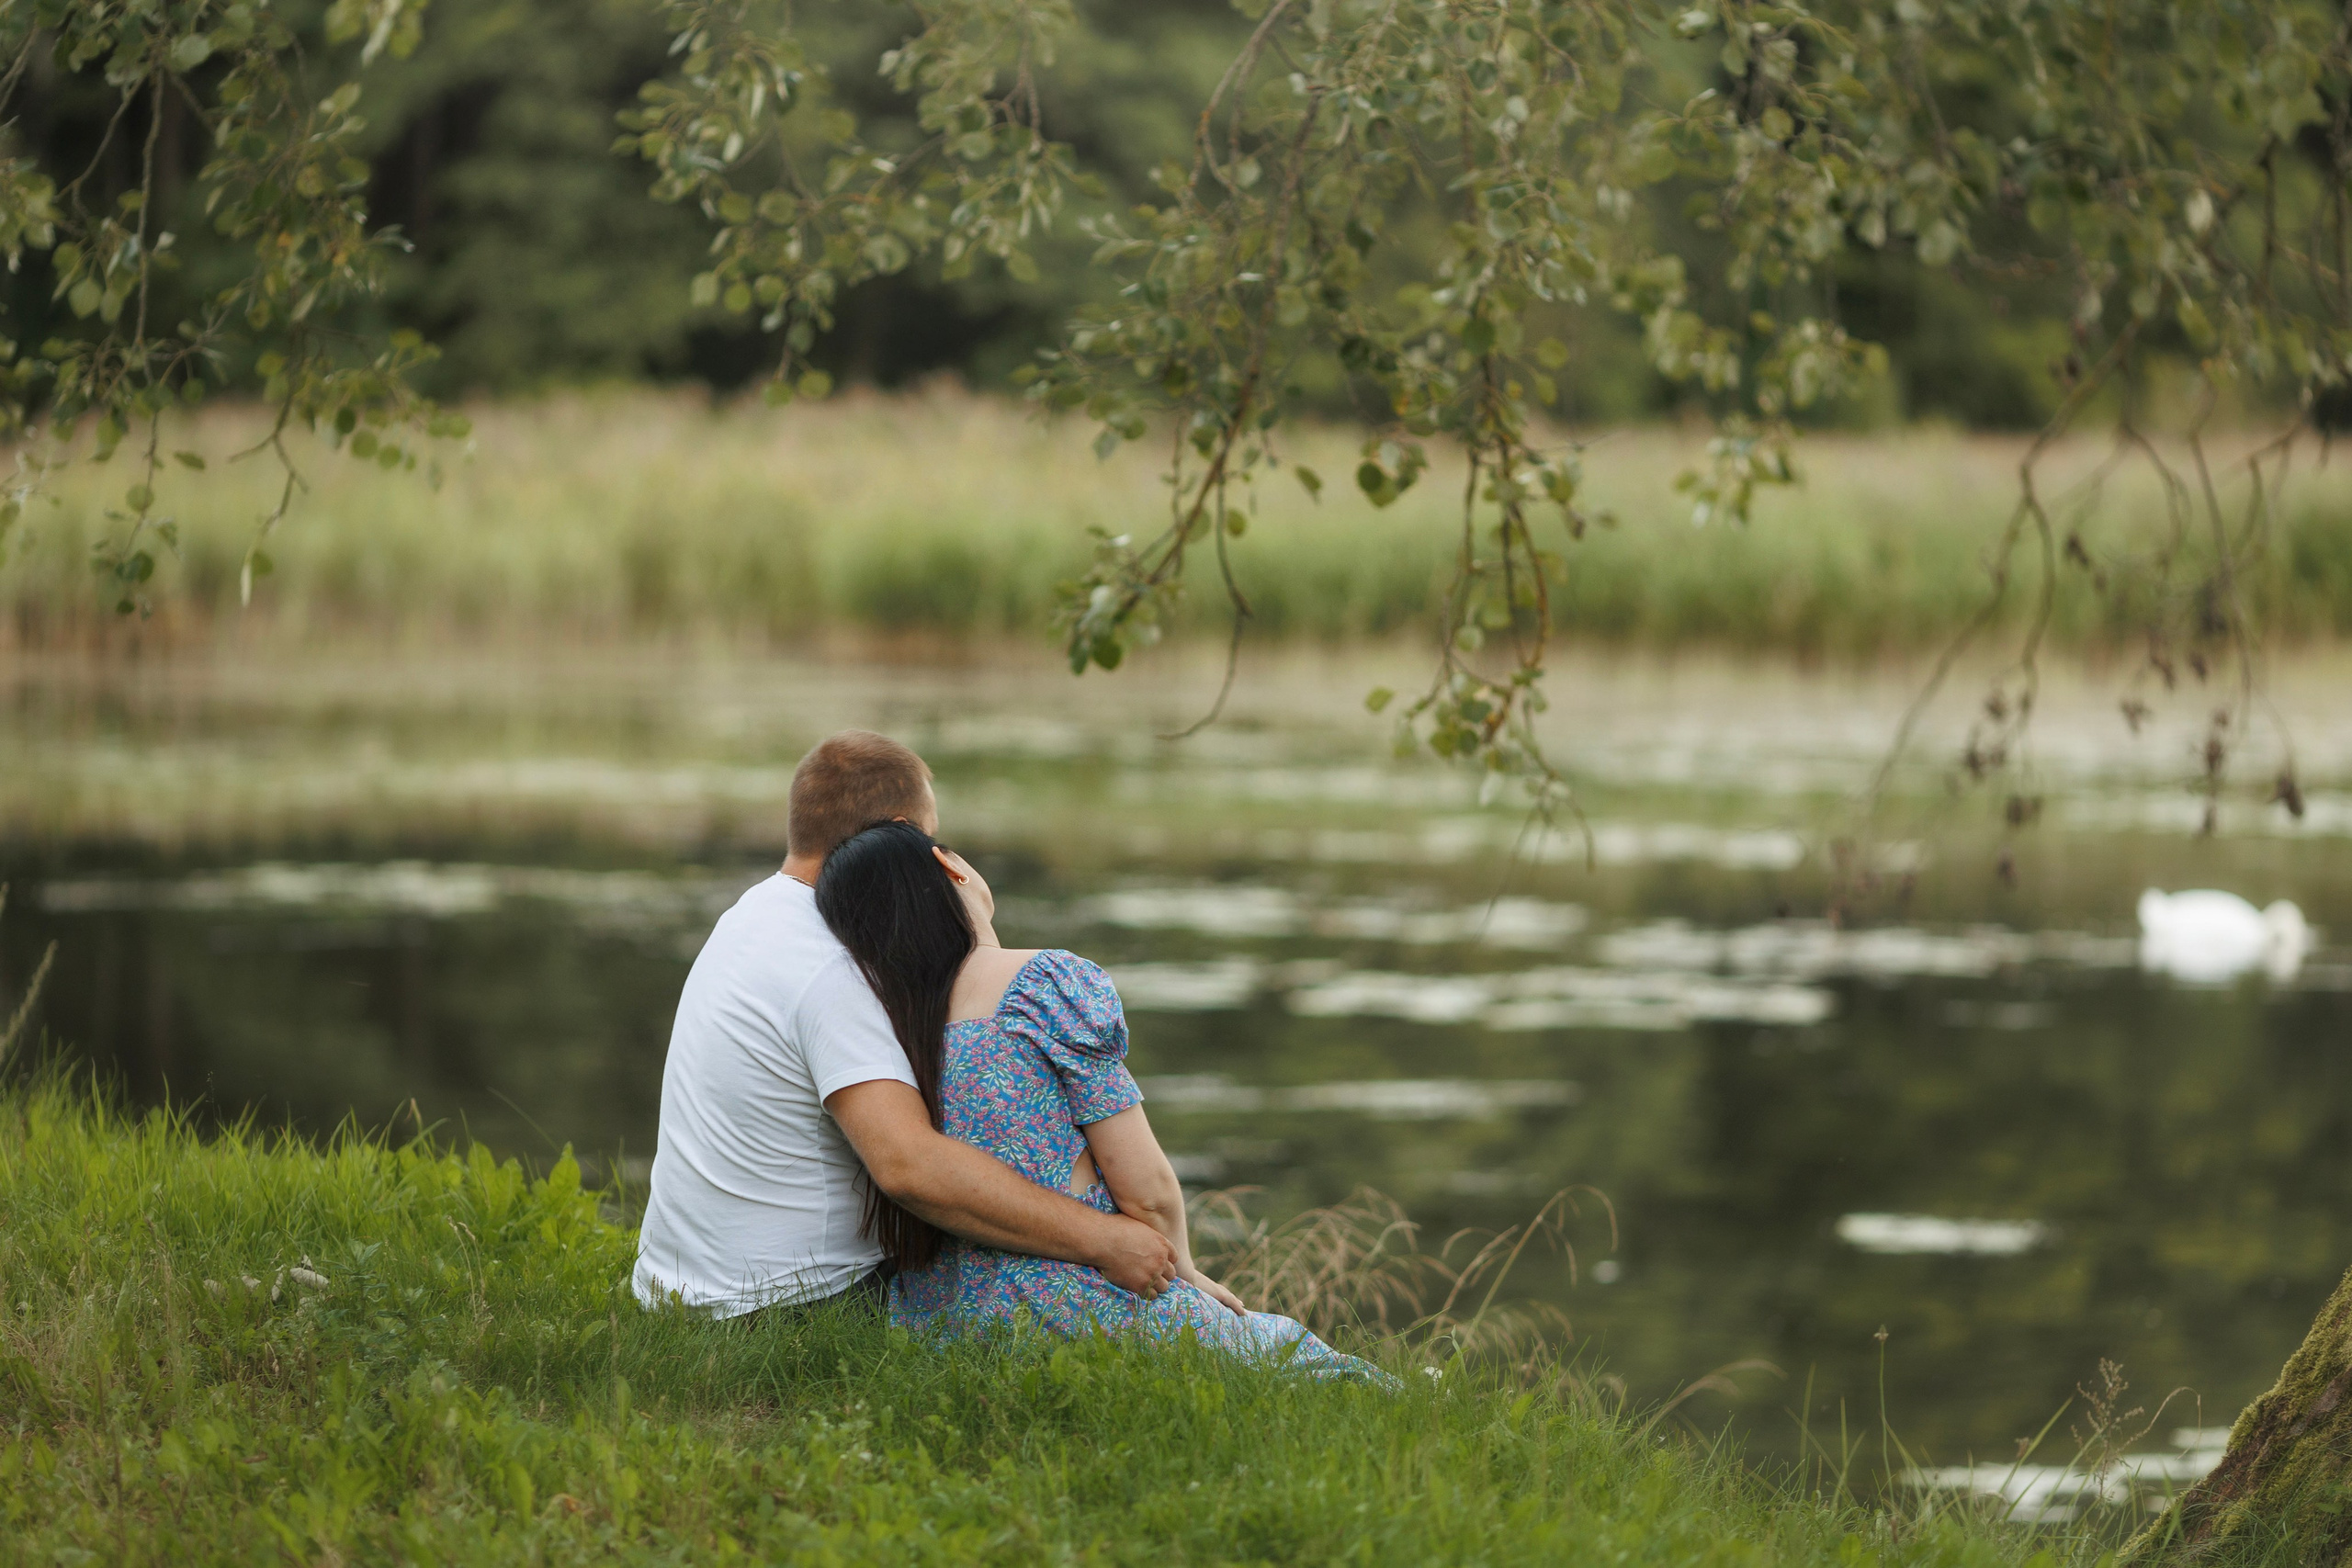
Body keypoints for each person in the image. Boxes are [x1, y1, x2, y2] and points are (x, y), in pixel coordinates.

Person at [632, 731, 1180, 1318]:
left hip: (683, 1287)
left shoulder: (753, 915)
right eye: (930, 839)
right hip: (785, 1305)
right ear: (897, 833)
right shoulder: (832, 963)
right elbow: (908, 1166)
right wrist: (1107, 1240)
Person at [816, 818, 1387, 1379]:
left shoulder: (883, 1029)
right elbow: (1147, 1191)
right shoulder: (1045, 983)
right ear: (950, 866)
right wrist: (1186, 1274)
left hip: (936, 1319)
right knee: (1307, 1366)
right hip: (1079, 1298)